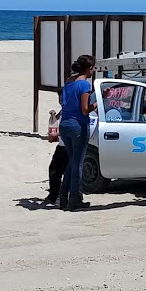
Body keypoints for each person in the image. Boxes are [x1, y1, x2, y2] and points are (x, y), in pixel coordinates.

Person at [56, 55, 96, 211]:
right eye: (93, 68)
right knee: (78, 163)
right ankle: (74, 198)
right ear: (88, 68)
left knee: (72, 162)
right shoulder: (84, 85)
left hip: (64, 124)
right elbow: (85, 110)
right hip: (78, 124)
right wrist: (98, 102)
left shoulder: (69, 81)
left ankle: (62, 198)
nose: (93, 71)